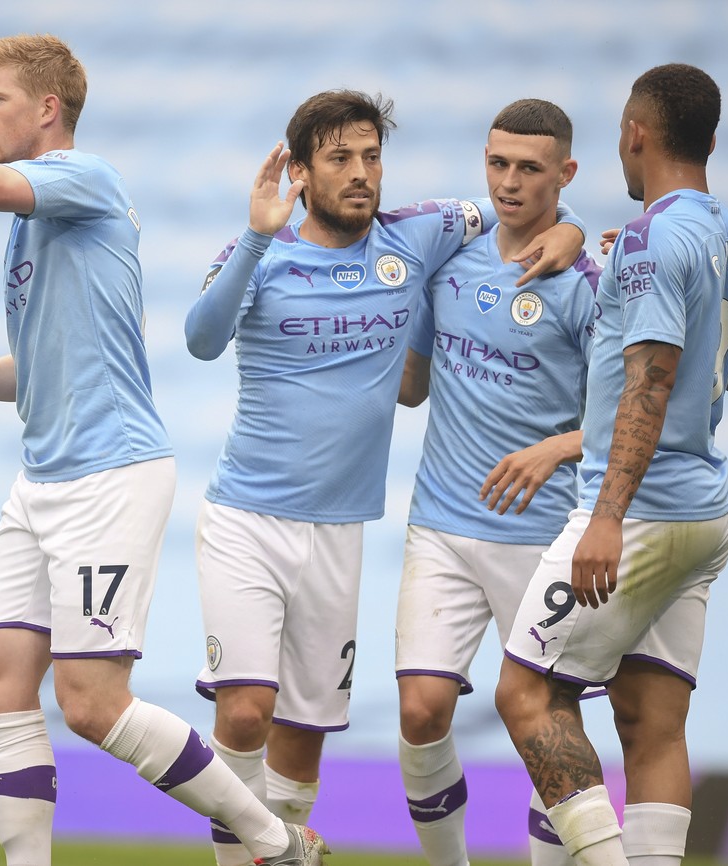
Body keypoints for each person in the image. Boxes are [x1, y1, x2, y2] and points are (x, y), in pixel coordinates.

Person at [0, 2, 324, 863]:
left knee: (93, 705)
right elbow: (40, 373)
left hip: (108, 478)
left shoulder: (86, 177)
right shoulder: (37, 222)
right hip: (40, 480)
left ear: (47, 111)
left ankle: (268, 836)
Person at [184, 90, 583, 866]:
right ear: (299, 173)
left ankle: (280, 844)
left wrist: (567, 230)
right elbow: (202, 338)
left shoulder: (421, 234)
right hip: (246, 519)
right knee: (243, 716)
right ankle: (265, 848)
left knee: (303, 738)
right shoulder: (264, 254)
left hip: (339, 532)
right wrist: (254, 238)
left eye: (371, 157)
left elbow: (521, 198)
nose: (361, 174)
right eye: (340, 159)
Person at [493, 63, 728, 866]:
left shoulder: (650, 236)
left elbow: (648, 382)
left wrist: (607, 518)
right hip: (708, 511)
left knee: (528, 691)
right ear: (710, 141)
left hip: (644, 509)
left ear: (635, 134)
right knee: (651, 722)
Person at [393, 98, 600, 866]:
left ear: (566, 174)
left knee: (546, 728)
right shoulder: (453, 251)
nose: (510, 182)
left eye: (530, 169)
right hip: (441, 524)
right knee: (421, 710)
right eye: (497, 163)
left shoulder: (587, 279)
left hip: (541, 536)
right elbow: (411, 385)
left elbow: (636, 415)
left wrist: (557, 448)